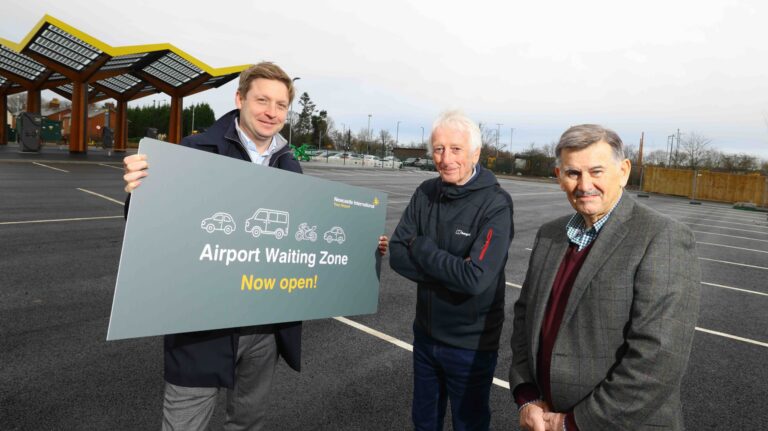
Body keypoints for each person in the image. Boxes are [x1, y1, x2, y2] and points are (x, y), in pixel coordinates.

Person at [123, 62, 388, 430]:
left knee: (248, 423)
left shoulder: (289, 166)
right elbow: (152, 225)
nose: (271, 112)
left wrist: (363, 242)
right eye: (262, 100)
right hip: (200, 324)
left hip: (264, 328)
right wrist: (140, 193)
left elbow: (303, 237)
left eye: (281, 105)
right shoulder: (196, 150)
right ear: (239, 99)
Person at [509, 124, 701, 431]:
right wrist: (527, 396)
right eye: (573, 173)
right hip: (545, 419)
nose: (585, 185)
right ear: (560, 178)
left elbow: (657, 359)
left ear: (623, 171)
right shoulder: (551, 235)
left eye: (596, 171)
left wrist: (574, 423)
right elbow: (524, 321)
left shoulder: (662, 237)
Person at [389, 110, 514, 430]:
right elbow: (397, 256)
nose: (445, 158)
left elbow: (475, 280)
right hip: (426, 336)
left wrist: (422, 248)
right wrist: (453, 271)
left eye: (456, 149)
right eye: (438, 149)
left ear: (475, 153)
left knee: (468, 423)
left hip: (470, 346)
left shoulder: (496, 204)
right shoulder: (425, 193)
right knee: (424, 421)